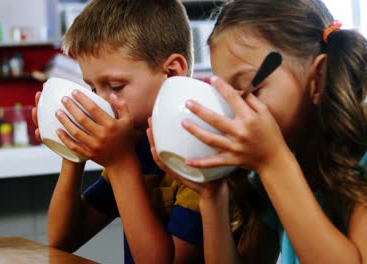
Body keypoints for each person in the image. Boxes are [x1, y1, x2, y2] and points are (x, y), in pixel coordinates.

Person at [147, 0, 367, 263]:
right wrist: (212, 194)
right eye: (227, 97)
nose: (235, 110)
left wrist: (273, 162)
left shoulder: (358, 161)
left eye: (253, 89)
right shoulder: (271, 173)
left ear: (317, 78)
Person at [31, 0, 205, 263]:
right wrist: (71, 150)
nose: (102, 102)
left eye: (115, 86)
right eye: (93, 89)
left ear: (172, 73)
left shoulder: (201, 153)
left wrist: (121, 163)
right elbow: (63, 239)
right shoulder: (136, 146)